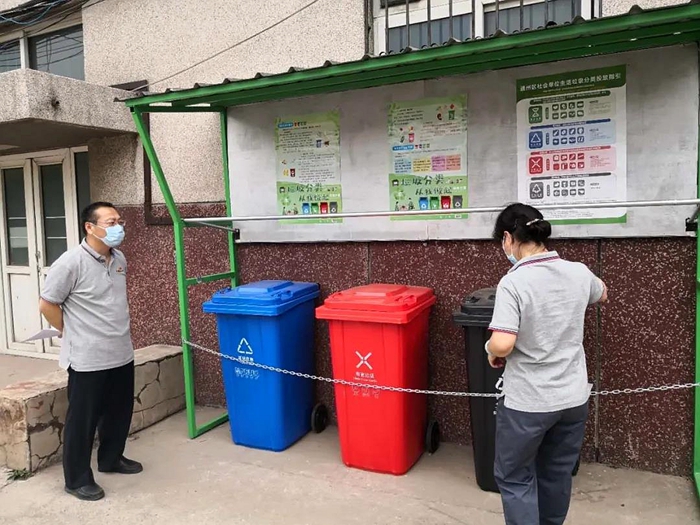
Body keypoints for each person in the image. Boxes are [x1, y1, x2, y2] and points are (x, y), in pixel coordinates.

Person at [485, 203, 607, 525]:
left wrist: (491, 349)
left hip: (529, 403)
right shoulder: (578, 271)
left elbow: (502, 344)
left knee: (515, 477)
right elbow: (602, 293)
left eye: (502, 242)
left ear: (508, 238)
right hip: (573, 399)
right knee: (556, 472)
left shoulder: (514, 282)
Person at [39, 202, 142, 502]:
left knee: (118, 412)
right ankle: (77, 479)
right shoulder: (70, 263)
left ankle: (111, 458)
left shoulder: (119, 258)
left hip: (120, 351)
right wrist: (70, 330)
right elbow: (47, 304)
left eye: (119, 221)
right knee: (82, 421)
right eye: (111, 222)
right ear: (90, 227)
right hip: (87, 357)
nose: (118, 227)